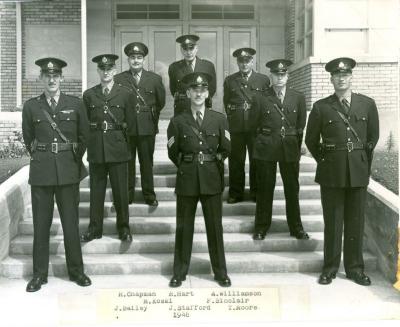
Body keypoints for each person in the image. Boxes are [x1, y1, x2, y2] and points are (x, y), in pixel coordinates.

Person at [305, 57, 379, 286]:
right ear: (331, 79)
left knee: (355, 222)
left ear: (351, 77)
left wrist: (362, 163)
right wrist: (326, 160)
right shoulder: (321, 107)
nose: (341, 78)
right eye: (337, 75)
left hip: (357, 171)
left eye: (345, 75)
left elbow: (372, 138)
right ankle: (330, 268)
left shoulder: (367, 104)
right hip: (332, 172)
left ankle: (355, 269)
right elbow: (310, 140)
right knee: (333, 222)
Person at [22, 57, 91, 292]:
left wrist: (70, 158)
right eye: (47, 75)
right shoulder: (32, 106)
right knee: (41, 225)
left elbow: (83, 138)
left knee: (71, 223)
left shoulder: (76, 103)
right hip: (41, 172)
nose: (51, 79)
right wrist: (44, 157)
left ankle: (77, 271)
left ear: (62, 78)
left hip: (67, 170)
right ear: (41, 78)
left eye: (55, 75)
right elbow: (28, 138)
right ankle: (39, 275)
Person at [166, 72, 231, 288]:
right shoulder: (177, 121)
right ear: (187, 93)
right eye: (194, 90)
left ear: (208, 93)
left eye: (203, 90)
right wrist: (188, 165)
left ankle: (220, 272)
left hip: (212, 179)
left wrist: (212, 163)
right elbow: (173, 152)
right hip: (187, 179)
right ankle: (180, 272)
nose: (199, 93)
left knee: (215, 227)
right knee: (184, 228)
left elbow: (226, 148)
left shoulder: (219, 119)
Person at [252, 59, 309, 241]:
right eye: (276, 74)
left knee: (292, 189)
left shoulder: (298, 97)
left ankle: (296, 227)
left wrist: (296, 143)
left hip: (289, 147)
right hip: (266, 147)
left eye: (283, 74)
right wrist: (261, 144)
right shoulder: (261, 97)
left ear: (288, 76)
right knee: (265, 189)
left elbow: (300, 125)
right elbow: (253, 125)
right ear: (271, 76)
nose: (279, 77)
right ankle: (261, 227)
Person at [80, 54, 134, 243]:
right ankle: (95, 228)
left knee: (120, 192)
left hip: (118, 148)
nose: (106, 72)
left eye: (109, 69)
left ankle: (124, 228)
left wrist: (126, 147)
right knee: (96, 192)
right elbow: (85, 125)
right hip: (96, 149)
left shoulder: (125, 93)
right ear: (98, 71)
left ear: (115, 71)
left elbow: (132, 125)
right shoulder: (89, 95)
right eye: (102, 69)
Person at [114, 42, 166, 206]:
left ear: (143, 59)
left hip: (146, 127)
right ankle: (127, 196)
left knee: (146, 162)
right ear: (128, 60)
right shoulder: (119, 79)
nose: (136, 61)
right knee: (127, 163)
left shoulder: (155, 79)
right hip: (126, 127)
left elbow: (160, 102)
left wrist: (149, 117)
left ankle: (149, 195)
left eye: (139, 57)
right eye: (132, 58)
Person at [223, 48, 270, 203]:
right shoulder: (230, 80)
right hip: (236, 126)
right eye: (241, 61)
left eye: (247, 61)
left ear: (252, 61)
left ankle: (256, 192)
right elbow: (227, 102)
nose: (244, 64)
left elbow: (266, 103)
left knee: (256, 159)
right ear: (237, 62)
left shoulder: (263, 80)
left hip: (256, 126)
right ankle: (236, 193)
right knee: (236, 160)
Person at [168, 34, 216, 116]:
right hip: (182, 110)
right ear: (181, 50)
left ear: (196, 48)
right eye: (185, 49)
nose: (188, 52)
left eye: (191, 48)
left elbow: (212, 89)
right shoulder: (174, 67)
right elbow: (173, 90)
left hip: (202, 108)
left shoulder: (208, 66)